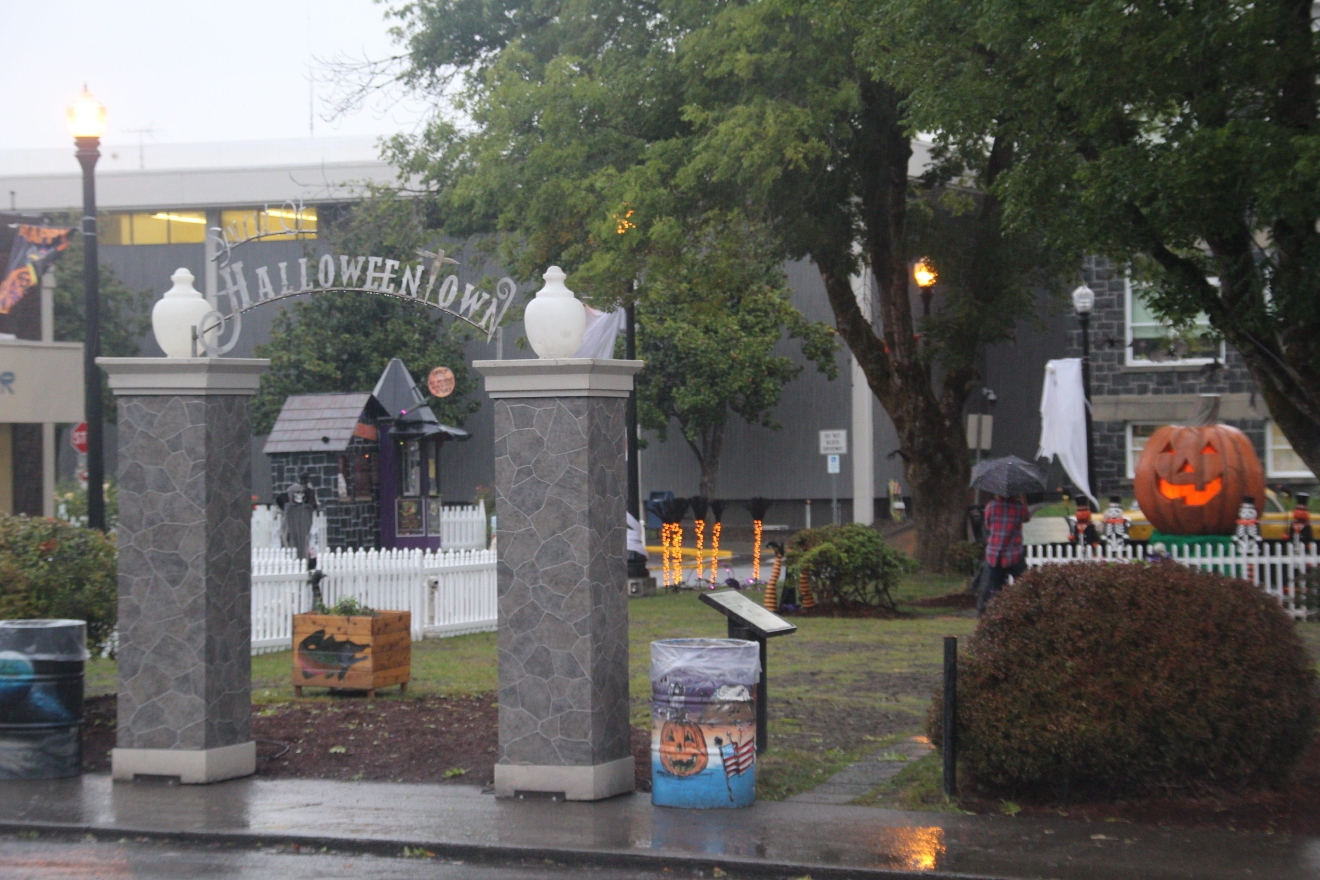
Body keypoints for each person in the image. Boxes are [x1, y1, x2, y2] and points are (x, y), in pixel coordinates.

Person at [979, 493, 1031, 614]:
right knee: (1023, 585)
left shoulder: (991, 506)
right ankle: (1022, 611)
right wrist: (1024, 498)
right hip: (1014, 554)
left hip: (995, 554)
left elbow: (987, 525)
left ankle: (996, 613)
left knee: (996, 588)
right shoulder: (1019, 508)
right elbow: (1027, 518)